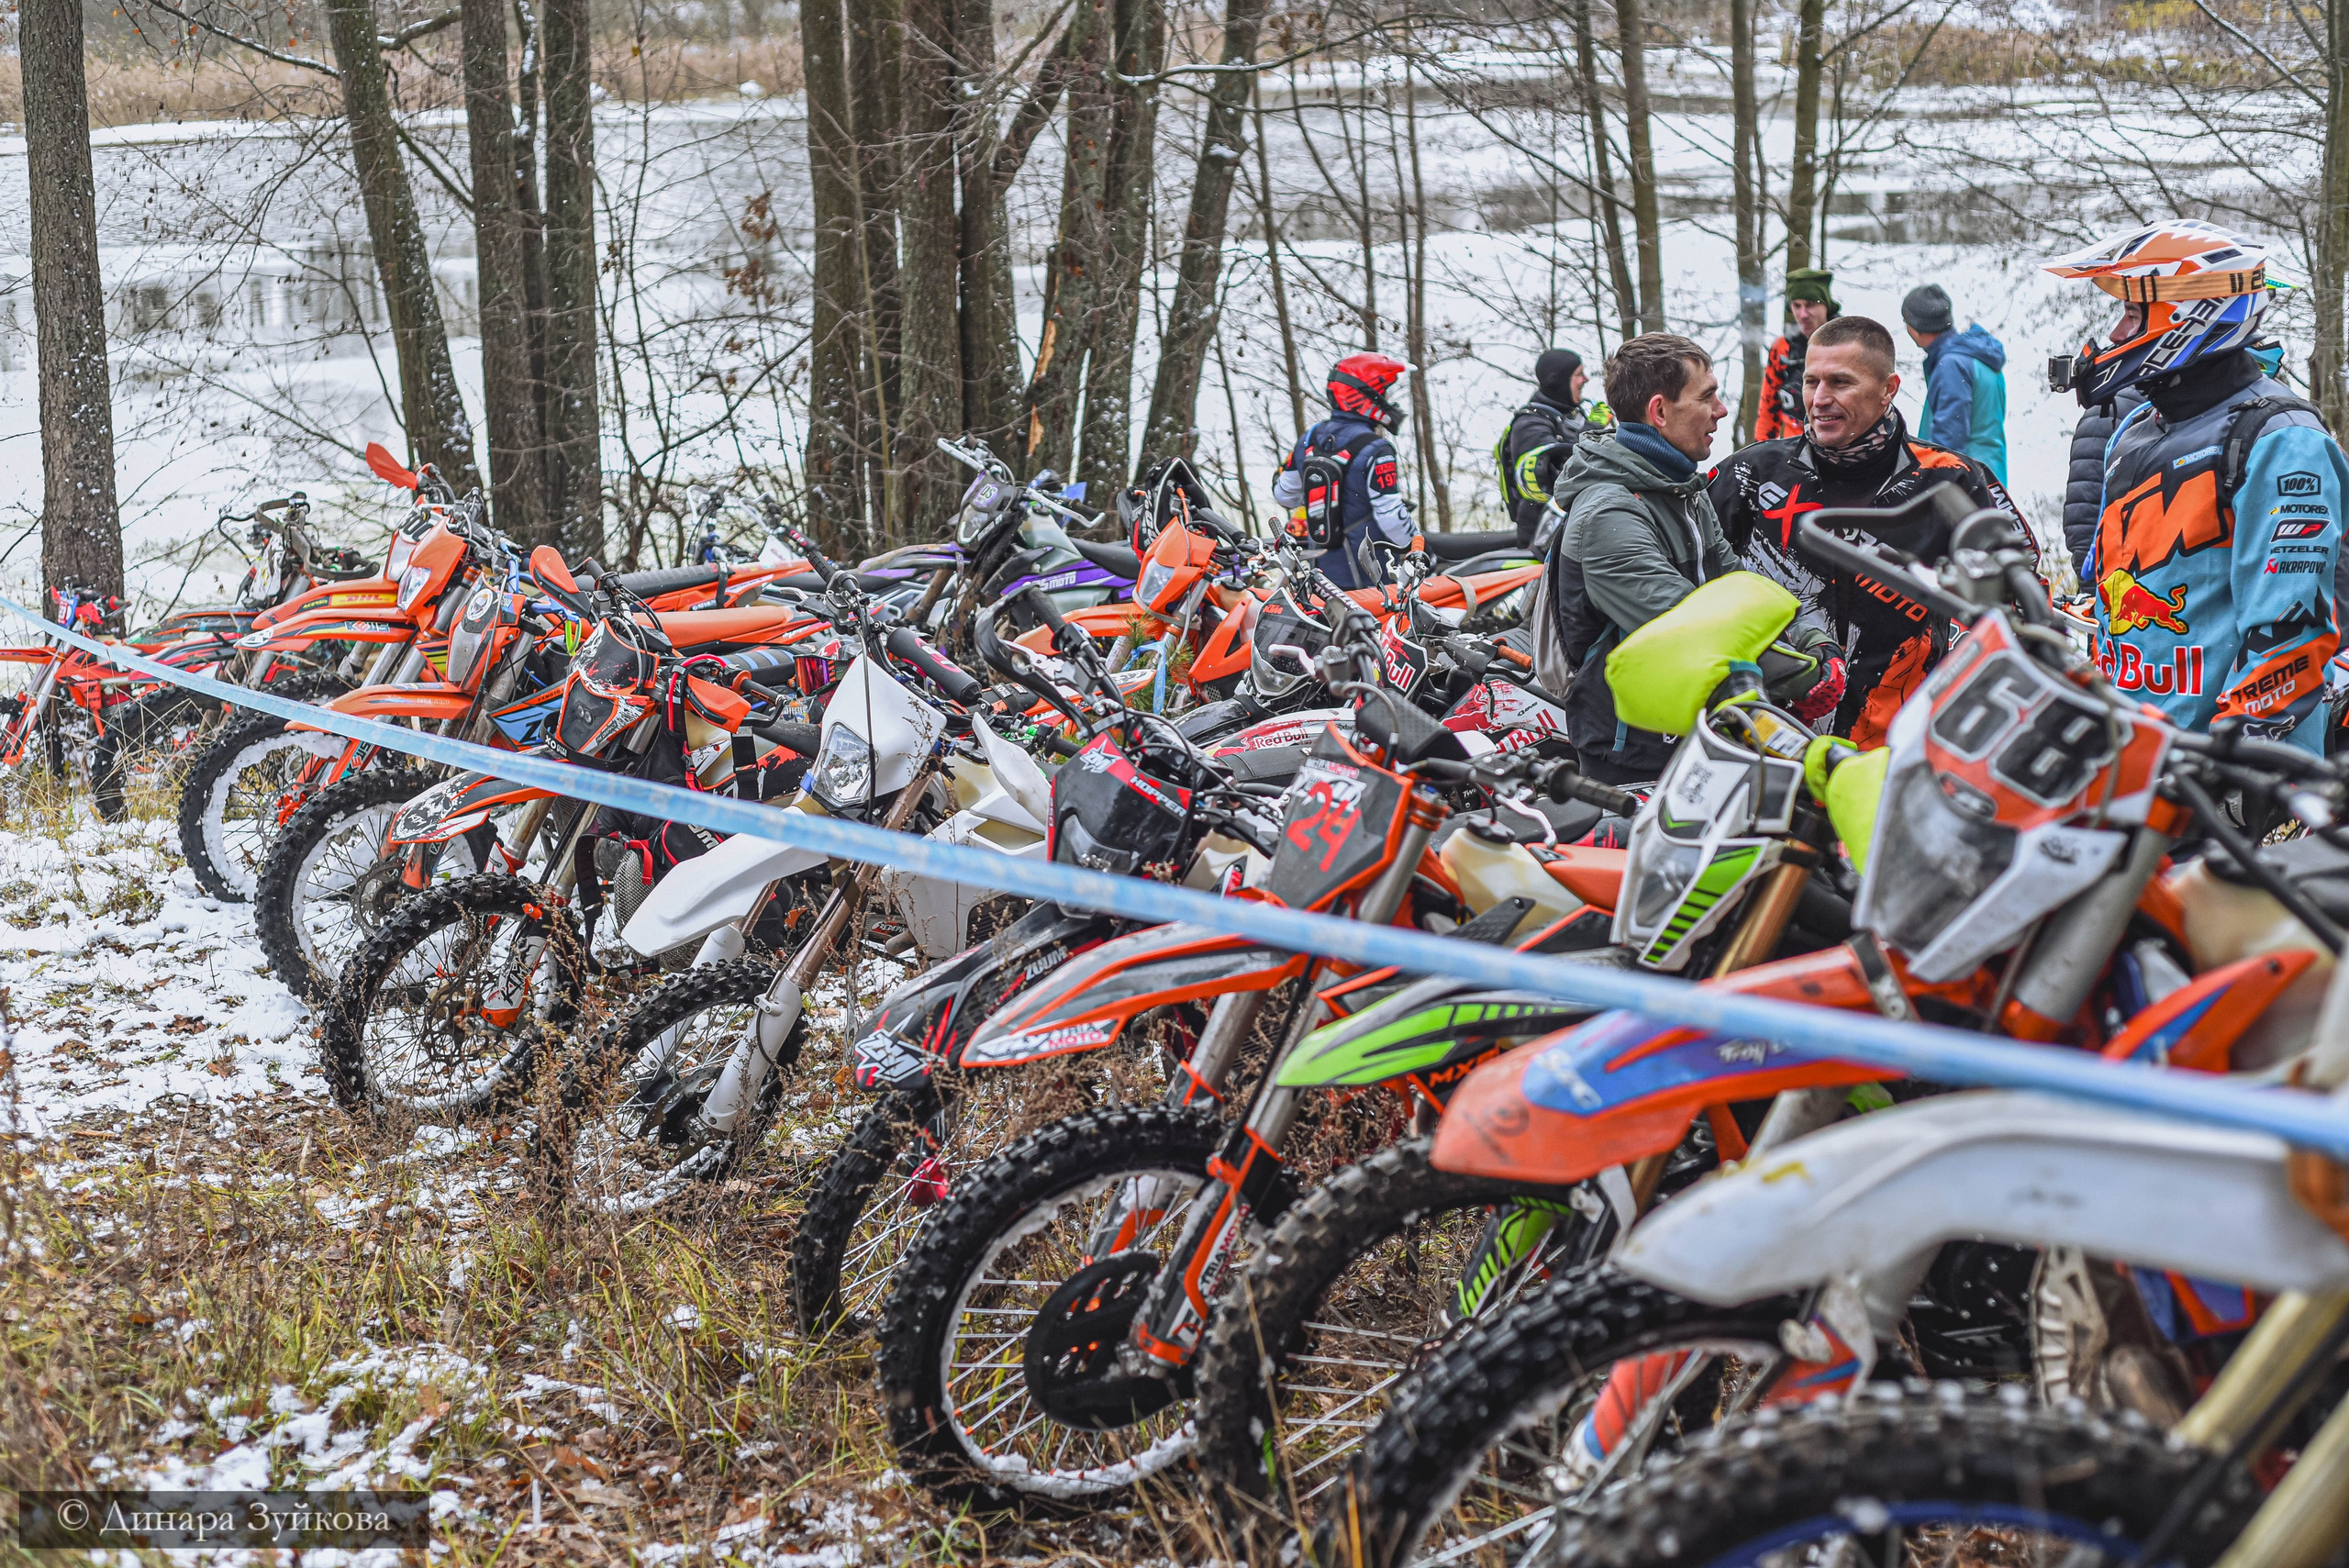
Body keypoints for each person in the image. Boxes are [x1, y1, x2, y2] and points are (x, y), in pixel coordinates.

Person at [2048, 220, 2345, 751]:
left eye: (2134, 314)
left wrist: (2243, 766)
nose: (2117, 334)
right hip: (2135, 741)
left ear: (2191, 316)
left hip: (2219, 760)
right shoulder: (2138, 428)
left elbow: (2289, 628)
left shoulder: (2281, 439)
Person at [1530, 334, 1844, 784]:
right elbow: (1690, 628)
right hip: (1632, 757)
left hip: (1699, 735)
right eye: (1707, 396)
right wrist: (1803, 672)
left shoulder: (1683, 492)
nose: (1720, 410)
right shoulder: (1608, 513)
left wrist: (1811, 636)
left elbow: (1741, 589)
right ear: (1660, 412)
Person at [1711, 314, 2032, 747]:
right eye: (1811, 382)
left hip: (1900, 740)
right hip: (1767, 734)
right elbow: (1695, 580)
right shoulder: (1753, 471)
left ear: (1889, 390)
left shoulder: (1952, 478)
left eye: (1840, 383)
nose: (1819, 399)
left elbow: (2019, 604)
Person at [1274, 353, 1415, 589]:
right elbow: (1390, 516)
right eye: (1384, 392)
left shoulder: (1309, 438)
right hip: (1368, 573)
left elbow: (1285, 495)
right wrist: (1419, 545)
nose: (1388, 401)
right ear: (1367, 394)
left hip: (1322, 571)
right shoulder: (1377, 448)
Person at [1497, 349, 1612, 549]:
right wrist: (1592, 429)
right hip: (1542, 538)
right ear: (1558, 381)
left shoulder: (1569, 416)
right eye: (1578, 374)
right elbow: (1555, 473)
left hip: (1572, 529)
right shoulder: (1529, 423)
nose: (1585, 379)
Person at [1901, 284, 2009, 484]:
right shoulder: (1979, 357)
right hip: (1991, 476)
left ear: (1914, 326)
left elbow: (1949, 439)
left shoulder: (1951, 365)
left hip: (1965, 483)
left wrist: (1934, 483)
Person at [1753, 268, 1838, 443]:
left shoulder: (1848, 343)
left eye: (1810, 304)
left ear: (1826, 305)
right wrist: (1760, 452)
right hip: (1794, 446)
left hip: (1838, 445)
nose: (1803, 314)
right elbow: (1768, 409)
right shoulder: (1782, 348)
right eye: (1797, 306)